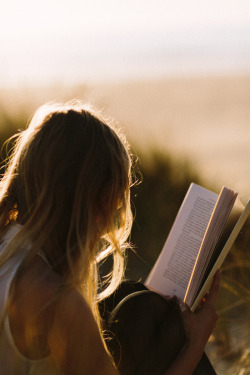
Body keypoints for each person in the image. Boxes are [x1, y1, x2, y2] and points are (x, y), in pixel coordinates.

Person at [0, 100, 220, 374]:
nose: (105, 231)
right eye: (111, 210)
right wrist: (195, 345)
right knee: (158, 320)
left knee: (128, 297)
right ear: (88, 205)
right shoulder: (57, 302)